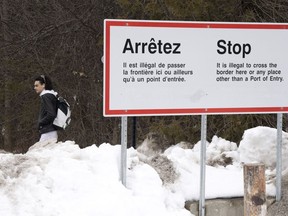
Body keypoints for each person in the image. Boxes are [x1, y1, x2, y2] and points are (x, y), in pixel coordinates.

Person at [34, 75, 58, 143]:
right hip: (50, 131)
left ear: (43, 85)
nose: (35, 88)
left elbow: (51, 114)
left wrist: (40, 122)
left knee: (39, 152)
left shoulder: (46, 96)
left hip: (48, 132)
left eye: (37, 85)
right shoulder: (51, 95)